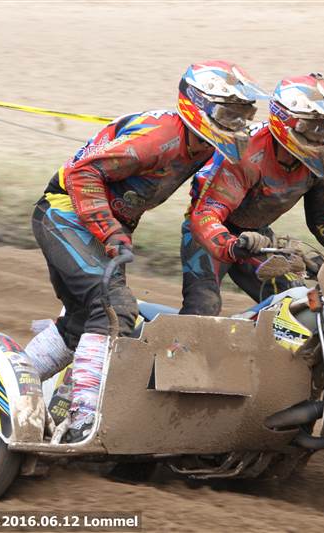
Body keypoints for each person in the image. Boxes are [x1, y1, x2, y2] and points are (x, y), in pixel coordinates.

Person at [25, 61, 268, 442]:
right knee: (113, 310)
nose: (238, 124)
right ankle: (82, 417)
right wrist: (110, 231)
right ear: (199, 105)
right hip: (66, 214)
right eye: (229, 114)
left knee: (83, 322)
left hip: (97, 225)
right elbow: (81, 174)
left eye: (244, 115)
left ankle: (11, 384)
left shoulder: (204, 145)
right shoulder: (161, 136)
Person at [180, 73, 324, 316]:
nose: (323, 136)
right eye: (316, 127)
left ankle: (260, 336)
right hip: (209, 231)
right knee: (203, 307)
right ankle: (172, 340)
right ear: (287, 122)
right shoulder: (245, 154)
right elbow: (206, 214)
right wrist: (233, 244)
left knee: (299, 304)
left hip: (258, 238)